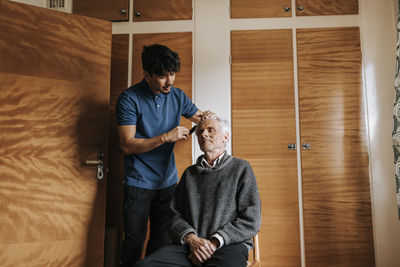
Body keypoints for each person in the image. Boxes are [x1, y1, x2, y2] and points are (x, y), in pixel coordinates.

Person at [116, 44, 214, 267]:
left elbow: (201, 119)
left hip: (168, 183)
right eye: (162, 76)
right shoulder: (129, 99)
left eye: (172, 74)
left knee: (161, 242)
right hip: (138, 183)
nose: (170, 81)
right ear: (147, 74)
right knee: (134, 242)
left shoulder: (177, 96)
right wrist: (165, 137)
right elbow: (126, 145)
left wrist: (210, 118)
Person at [134, 116, 261, 267]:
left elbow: (251, 218)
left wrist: (214, 242)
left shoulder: (241, 169)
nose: (203, 134)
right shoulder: (189, 174)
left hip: (229, 245)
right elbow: (174, 216)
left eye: (210, 130)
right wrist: (193, 240)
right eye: (200, 132)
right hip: (190, 246)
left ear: (225, 137)